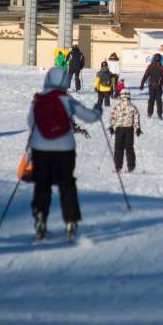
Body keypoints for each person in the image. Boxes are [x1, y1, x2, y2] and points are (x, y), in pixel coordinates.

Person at [27, 67, 103, 241]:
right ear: (64, 81)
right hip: (65, 148)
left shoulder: (38, 100)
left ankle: (40, 216)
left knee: (42, 184)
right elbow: (89, 117)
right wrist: (98, 111)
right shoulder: (67, 100)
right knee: (67, 184)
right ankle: (70, 220)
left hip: (40, 148)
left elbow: (30, 122)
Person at [108, 90, 141, 173]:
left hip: (119, 129)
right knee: (129, 148)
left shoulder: (117, 106)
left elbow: (113, 117)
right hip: (129, 130)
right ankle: (131, 166)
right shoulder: (133, 107)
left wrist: (111, 126)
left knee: (118, 148)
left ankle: (118, 166)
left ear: (121, 96)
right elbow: (136, 118)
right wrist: (137, 128)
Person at [139, 53, 163, 119]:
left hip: (153, 86)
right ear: (160, 59)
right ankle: (158, 114)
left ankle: (150, 113)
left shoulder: (151, 66)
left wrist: (142, 84)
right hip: (157, 86)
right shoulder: (161, 67)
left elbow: (145, 75)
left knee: (152, 100)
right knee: (158, 100)